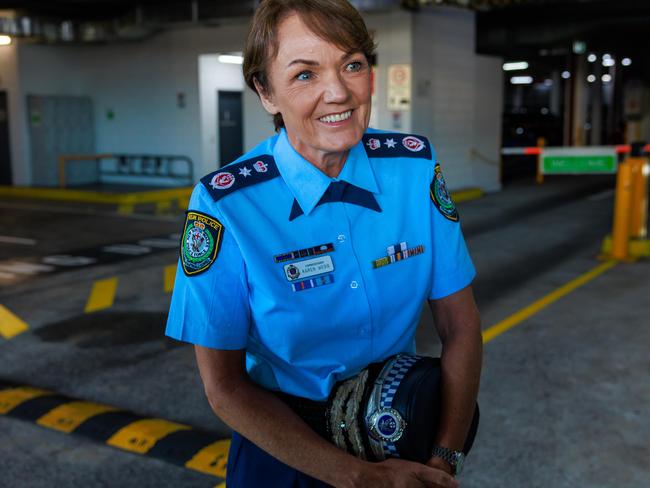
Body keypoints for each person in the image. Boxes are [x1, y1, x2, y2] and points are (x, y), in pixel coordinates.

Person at [166, 0, 482, 486]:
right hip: (284, 452)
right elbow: (224, 388)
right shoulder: (226, 205)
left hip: (398, 437)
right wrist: (356, 478)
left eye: (352, 65)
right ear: (266, 92)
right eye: (304, 75)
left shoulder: (413, 169)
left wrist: (444, 457)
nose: (338, 92)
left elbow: (460, 326)